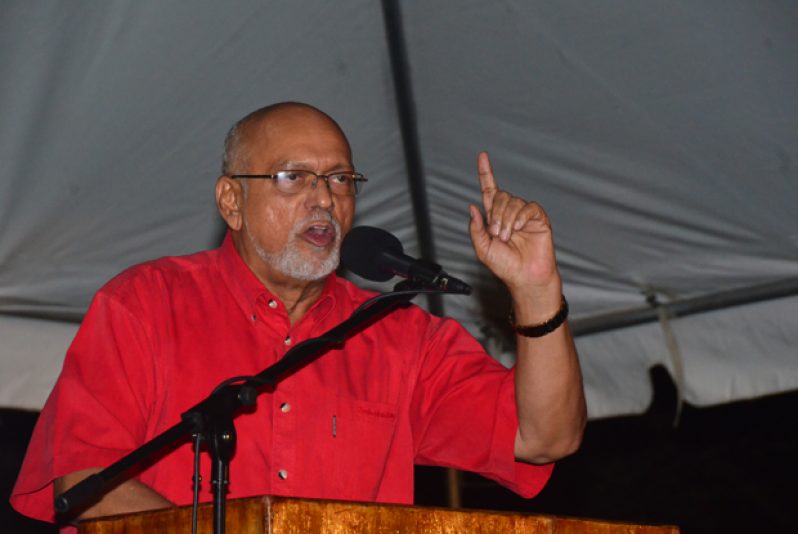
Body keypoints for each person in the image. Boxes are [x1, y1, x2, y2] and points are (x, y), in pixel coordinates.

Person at [11, 102, 586, 525]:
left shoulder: (401, 336)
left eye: (340, 179)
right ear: (231, 201)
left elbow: (544, 437)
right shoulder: (144, 304)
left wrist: (536, 291)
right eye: (293, 178)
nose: (324, 199)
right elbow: (87, 480)